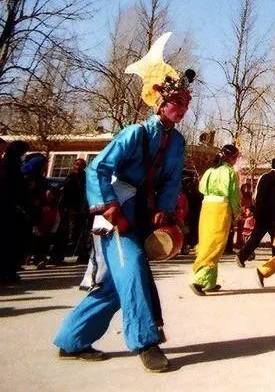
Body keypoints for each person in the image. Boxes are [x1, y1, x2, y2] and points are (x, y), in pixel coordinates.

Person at [53, 32, 193, 372]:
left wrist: (164, 207)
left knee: (116, 287)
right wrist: (109, 205)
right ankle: (145, 342)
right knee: (132, 272)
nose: (183, 107)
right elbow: (98, 168)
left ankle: (72, 339)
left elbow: (172, 180)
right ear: (159, 102)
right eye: (177, 101)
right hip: (117, 213)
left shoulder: (177, 143)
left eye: (187, 102)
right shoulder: (135, 134)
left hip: (143, 213)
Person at [190, 144, 241, 295]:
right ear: (231, 158)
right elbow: (233, 195)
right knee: (217, 244)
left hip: (206, 207)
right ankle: (199, 280)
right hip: (221, 208)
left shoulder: (210, 171)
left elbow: (201, 189)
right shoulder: (230, 173)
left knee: (207, 241)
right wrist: (237, 212)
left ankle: (209, 282)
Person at [237, 156, 275, 267]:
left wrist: (256, 209)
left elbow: (256, 196)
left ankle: (242, 256)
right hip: (271, 214)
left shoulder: (263, 176)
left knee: (256, 237)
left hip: (260, 212)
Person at [0, 140, 32, 283]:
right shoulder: (10, 166)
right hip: (8, 209)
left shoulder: (9, 164)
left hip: (10, 208)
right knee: (9, 241)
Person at [50, 158, 89, 264]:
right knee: (66, 233)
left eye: (81, 165)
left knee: (75, 233)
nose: (78, 167)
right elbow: (65, 193)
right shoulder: (71, 177)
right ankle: (59, 256)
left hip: (78, 209)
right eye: (76, 164)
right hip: (69, 209)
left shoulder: (85, 178)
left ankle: (76, 254)